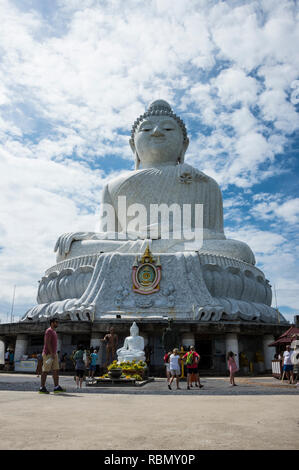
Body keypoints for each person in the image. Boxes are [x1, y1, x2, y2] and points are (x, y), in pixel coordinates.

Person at [39, 317, 66, 394]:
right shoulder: (49, 331)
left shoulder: (54, 331)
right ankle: (42, 387)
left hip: (54, 354)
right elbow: (47, 343)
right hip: (48, 354)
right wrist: (51, 353)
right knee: (45, 370)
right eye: (56, 322)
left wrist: (54, 353)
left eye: (57, 322)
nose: (57, 323)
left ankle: (56, 387)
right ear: (52, 323)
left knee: (56, 370)